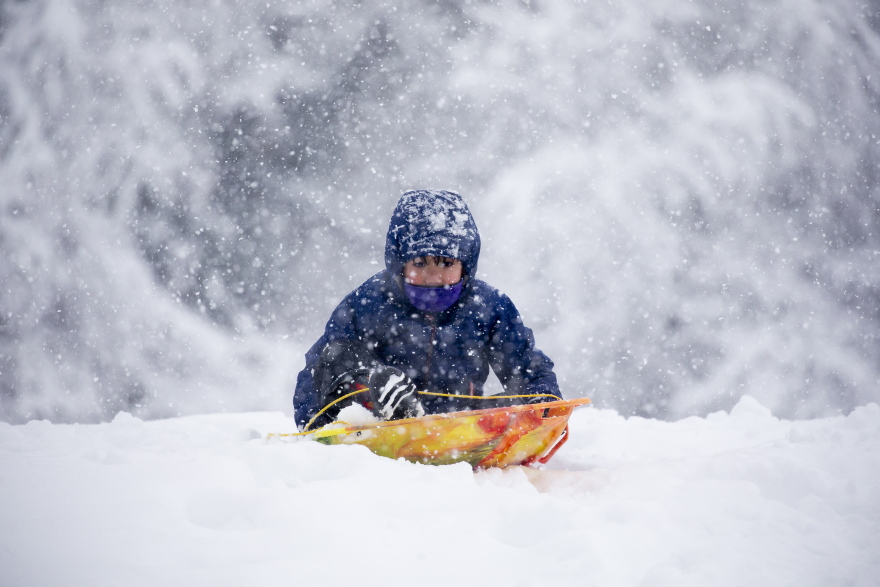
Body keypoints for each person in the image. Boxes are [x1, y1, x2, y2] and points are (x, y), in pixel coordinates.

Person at [293, 189, 561, 431]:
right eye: (420, 263)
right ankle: (393, 404)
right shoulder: (370, 302)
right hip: (378, 422)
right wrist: (314, 423)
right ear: (400, 263)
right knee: (339, 353)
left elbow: (526, 365)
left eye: (446, 264)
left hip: (458, 421)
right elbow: (320, 367)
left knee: (520, 401)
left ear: (466, 266)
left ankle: (418, 414)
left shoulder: (489, 307)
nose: (433, 278)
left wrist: (543, 402)